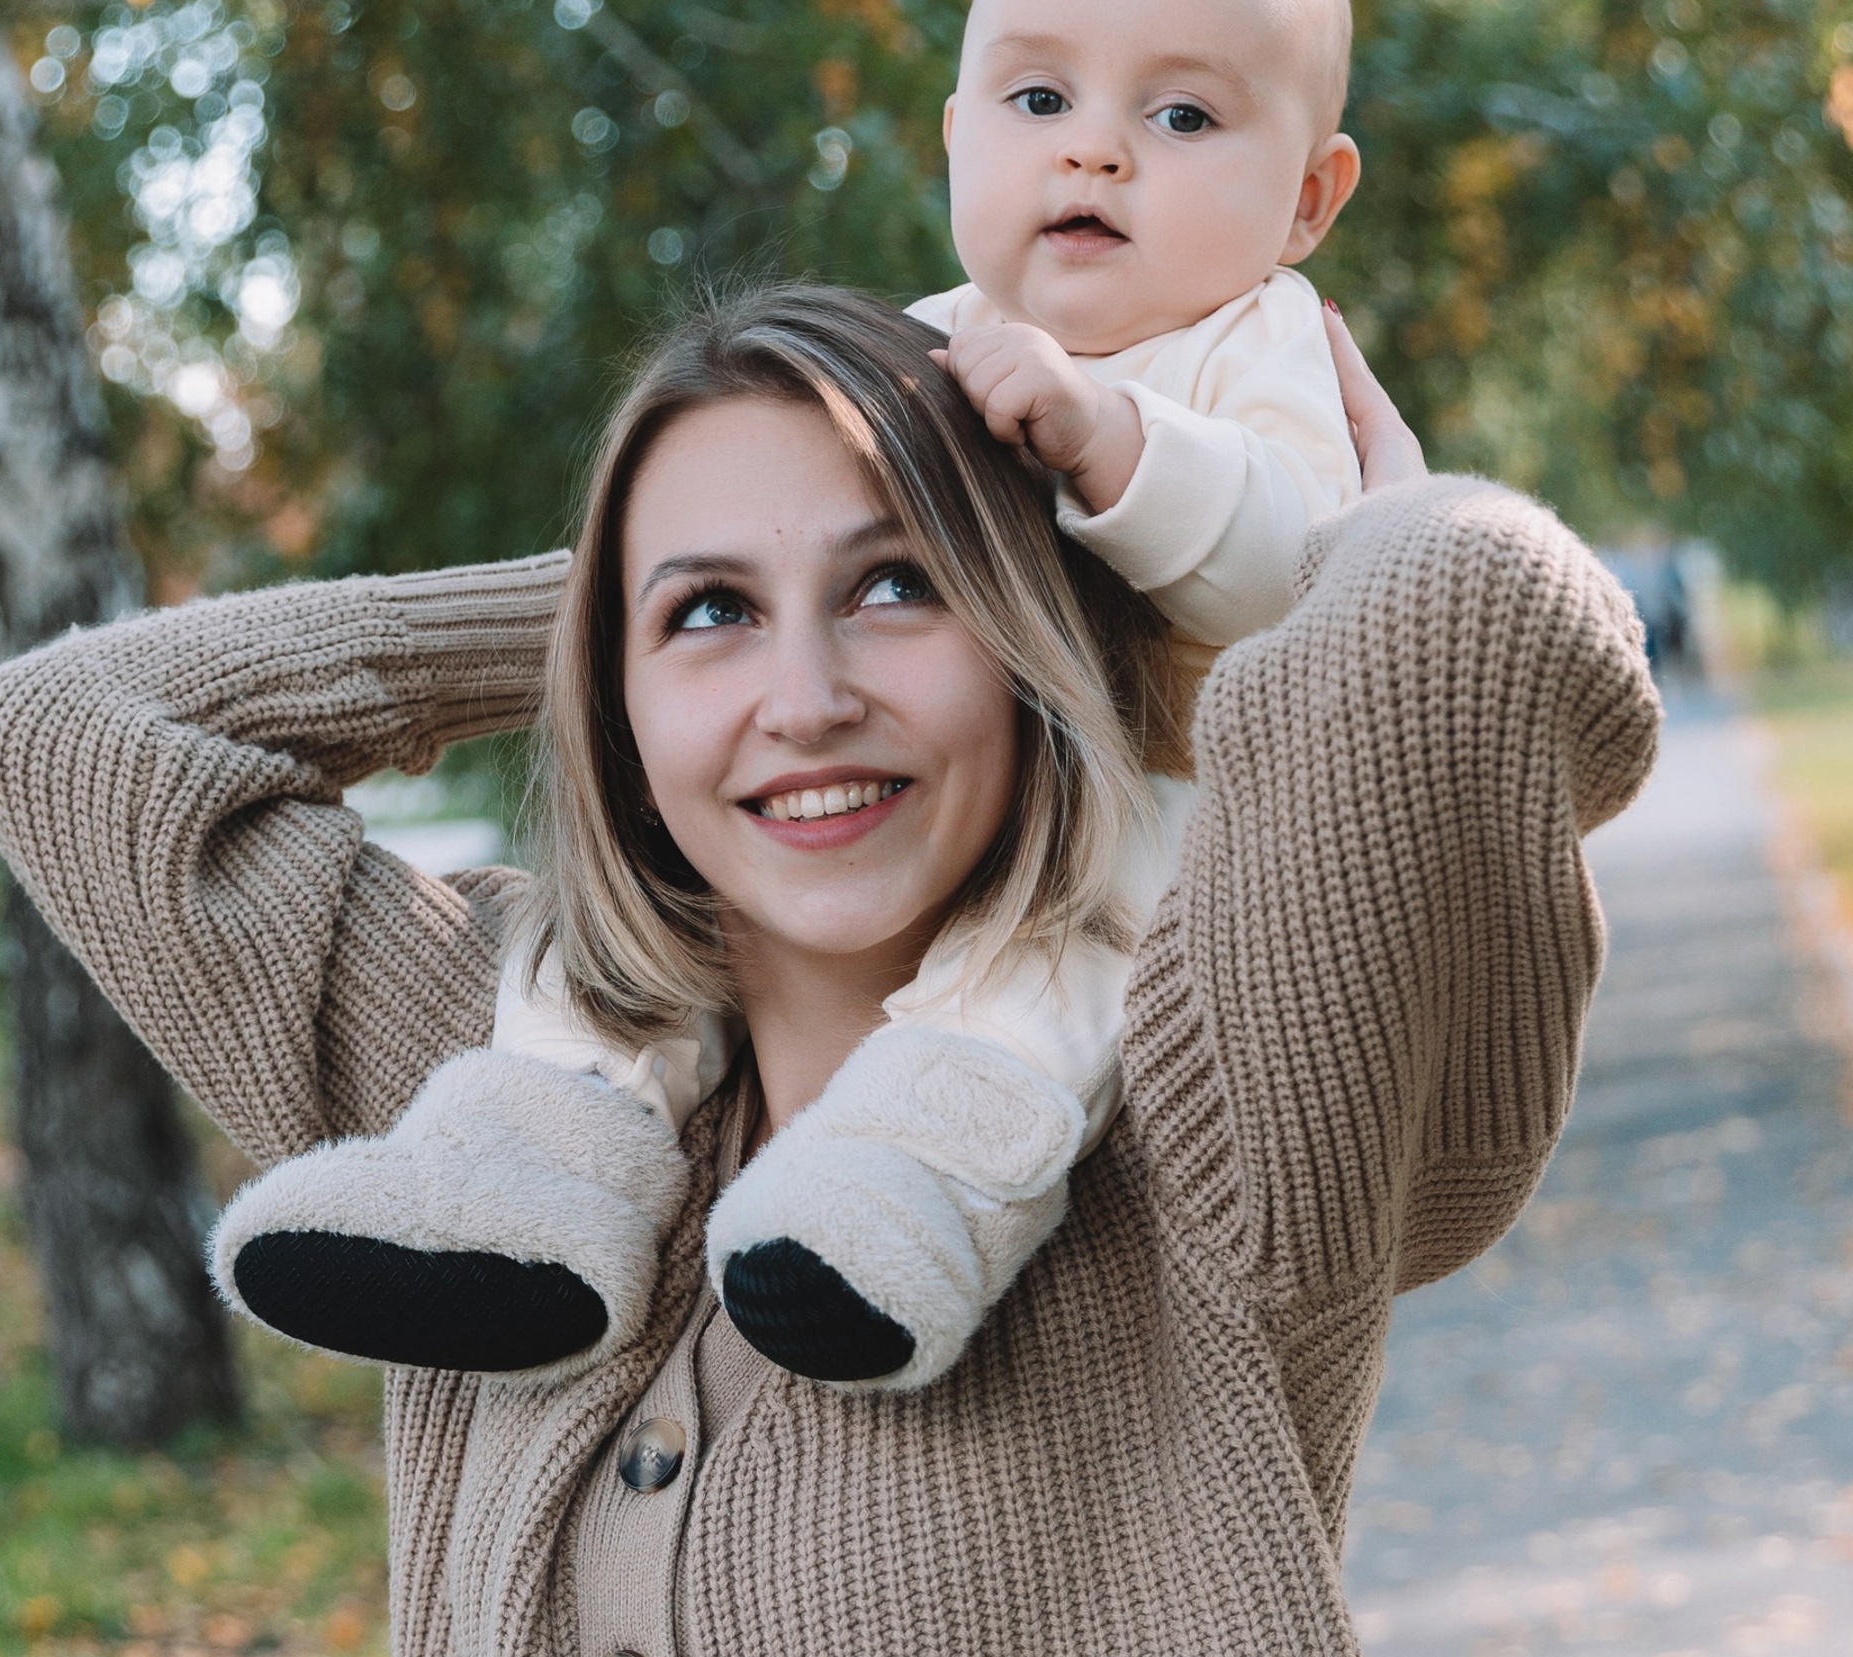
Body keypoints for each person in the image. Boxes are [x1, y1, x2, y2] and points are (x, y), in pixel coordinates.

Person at [0, 284, 1658, 1657]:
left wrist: (1247, 529)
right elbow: (66, 729)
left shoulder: (1206, 1095)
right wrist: (588, 604)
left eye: (900, 586)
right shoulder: (490, 1090)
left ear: (1030, 625)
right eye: (709, 619)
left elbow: (1470, 613)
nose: (805, 697)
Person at [219, 0, 1373, 1395]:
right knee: (601, 952)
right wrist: (618, 594)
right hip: (969, 816)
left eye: (1181, 117)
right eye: (1037, 105)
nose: (1097, 158)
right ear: (954, 144)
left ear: (1309, 199)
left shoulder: (1261, 350)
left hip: (1157, 806)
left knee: (1045, 980)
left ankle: (901, 1195)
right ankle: (527, 1166)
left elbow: (1314, 583)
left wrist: (1117, 446)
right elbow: (68, 731)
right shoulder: (922, 355)